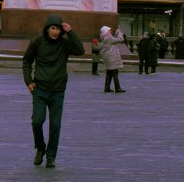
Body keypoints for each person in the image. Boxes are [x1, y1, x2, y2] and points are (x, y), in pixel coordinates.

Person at [21, 14, 84, 169]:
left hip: (57, 91)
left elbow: (80, 50)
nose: (55, 32)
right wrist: (29, 81)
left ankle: (50, 156)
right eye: (53, 28)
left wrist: (71, 32)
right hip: (40, 89)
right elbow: (27, 61)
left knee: (55, 125)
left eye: (57, 29)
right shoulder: (37, 42)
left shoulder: (64, 44)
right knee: (37, 121)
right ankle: (40, 147)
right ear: (47, 28)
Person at [99, 25, 126, 93]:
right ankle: (117, 88)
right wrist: (120, 33)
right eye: (109, 30)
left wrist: (116, 34)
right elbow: (120, 40)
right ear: (106, 31)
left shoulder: (105, 38)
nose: (110, 31)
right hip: (112, 58)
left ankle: (107, 87)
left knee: (109, 73)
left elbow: (113, 40)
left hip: (108, 58)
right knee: (115, 73)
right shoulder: (108, 38)